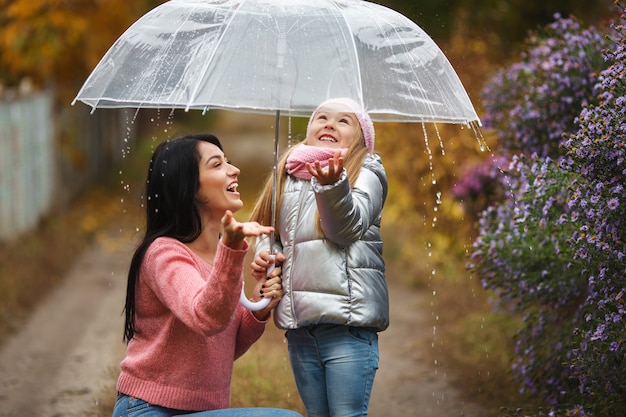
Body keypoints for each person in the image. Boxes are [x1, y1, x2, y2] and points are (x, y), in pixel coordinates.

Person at [113, 133, 302, 417]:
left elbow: (222, 348)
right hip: (149, 409)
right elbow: (206, 318)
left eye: (228, 161)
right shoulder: (163, 254)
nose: (234, 169)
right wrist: (231, 249)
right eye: (217, 164)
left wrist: (259, 301)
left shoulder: (218, 256)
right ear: (190, 188)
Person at [250, 98, 389, 417]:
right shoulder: (287, 171)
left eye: (344, 121)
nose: (329, 124)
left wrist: (332, 186)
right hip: (300, 328)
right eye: (321, 118)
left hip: (347, 324)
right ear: (309, 129)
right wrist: (265, 255)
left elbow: (345, 229)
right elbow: (268, 230)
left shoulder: (367, 170)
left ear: (362, 139)